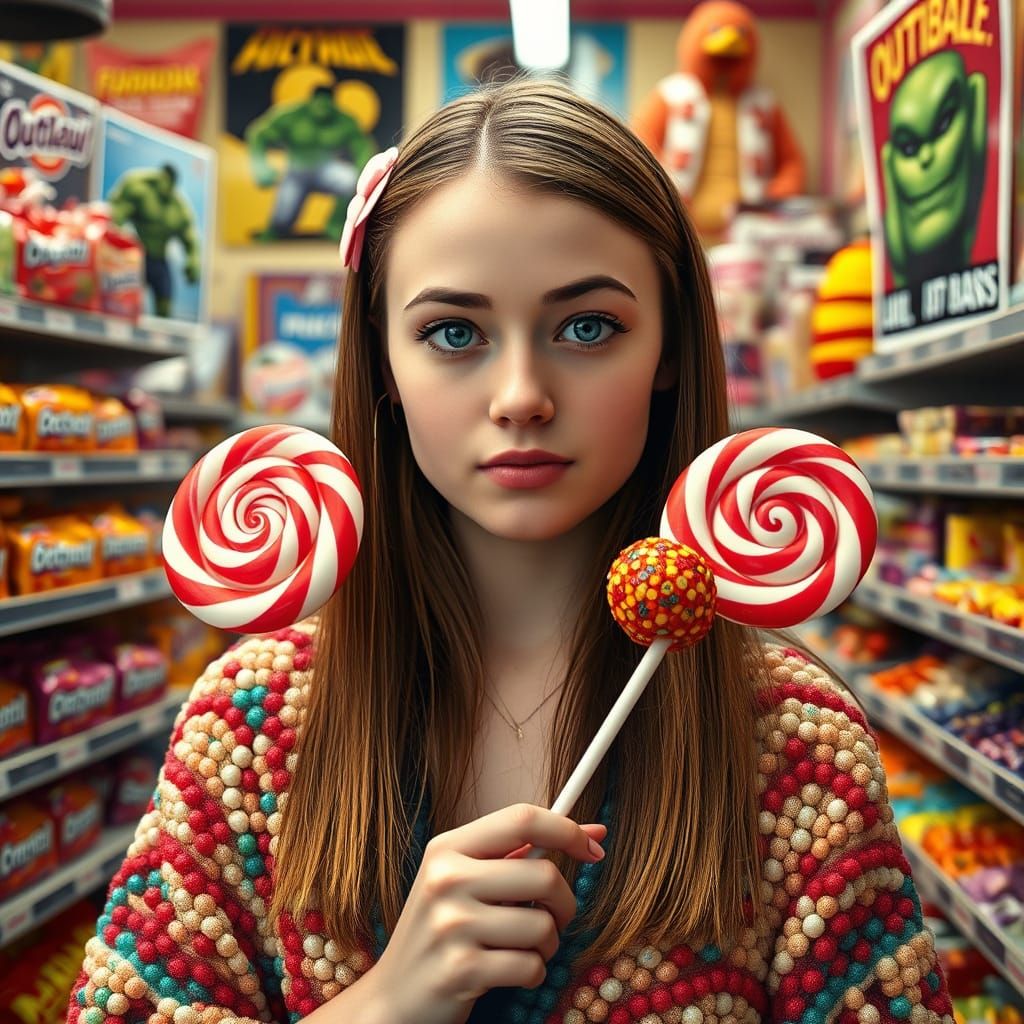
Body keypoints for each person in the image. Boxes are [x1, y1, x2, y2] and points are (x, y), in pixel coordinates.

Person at [68, 79, 955, 1024]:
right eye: (454, 332)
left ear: (666, 349)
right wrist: (388, 1004)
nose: (522, 394)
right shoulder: (251, 728)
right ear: (384, 360)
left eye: (588, 327)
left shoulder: (791, 739)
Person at [246, 84, 377, 241]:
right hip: (296, 172)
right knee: (282, 220)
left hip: (327, 170)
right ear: (311, 101)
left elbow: (363, 147)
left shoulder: (344, 121)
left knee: (351, 181)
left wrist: (363, 174)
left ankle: (336, 226)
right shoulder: (291, 116)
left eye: (327, 104)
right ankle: (274, 232)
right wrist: (260, 166)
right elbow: (259, 135)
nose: (322, 109)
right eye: (319, 103)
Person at [107, 163, 200, 319]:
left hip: (159, 260)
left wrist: (193, 260)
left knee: (165, 300)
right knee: (125, 302)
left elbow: (190, 238)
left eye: (168, 182)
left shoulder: (179, 209)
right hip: (137, 257)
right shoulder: (139, 188)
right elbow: (115, 212)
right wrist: (116, 224)